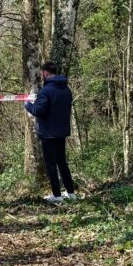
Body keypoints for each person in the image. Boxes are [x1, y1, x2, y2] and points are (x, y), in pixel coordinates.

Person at [24, 61, 76, 203]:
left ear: (45, 73)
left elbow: (38, 111)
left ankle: (57, 195)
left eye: (42, 74)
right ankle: (71, 193)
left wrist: (27, 104)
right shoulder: (66, 89)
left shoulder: (46, 91)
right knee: (62, 162)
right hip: (62, 131)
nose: (42, 76)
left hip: (48, 133)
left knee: (51, 164)